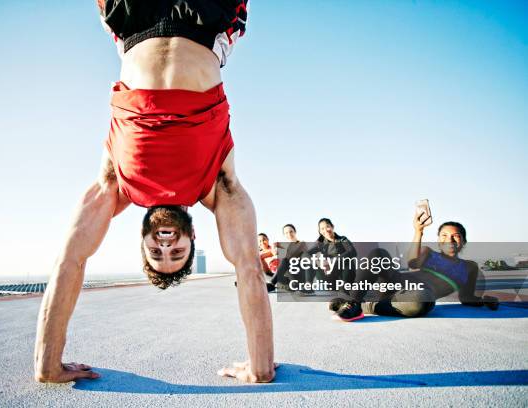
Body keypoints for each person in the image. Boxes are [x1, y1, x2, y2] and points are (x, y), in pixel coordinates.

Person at [34, 0, 275, 384]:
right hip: (206, 23)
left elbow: (70, 259)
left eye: (156, 251)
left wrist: (47, 365)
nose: (165, 244)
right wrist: (260, 367)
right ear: (192, 237)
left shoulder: (116, 186)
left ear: (144, 237)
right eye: (176, 252)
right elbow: (248, 266)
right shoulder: (216, 187)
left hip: (134, 25)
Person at [330, 212, 499, 321]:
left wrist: (483, 300)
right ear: (439, 240)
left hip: (417, 296)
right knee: (378, 253)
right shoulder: (429, 253)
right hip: (397, 282)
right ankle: (353, 302)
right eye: (444, 235)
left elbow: (467, 297)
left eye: (456, 236)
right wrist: (418, 231)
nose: (450, 240)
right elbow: (411, 262)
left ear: (464, 241)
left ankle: (366, 306)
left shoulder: (470, 267)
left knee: (423, 300)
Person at [314, 218, 357, 285]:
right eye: (322, 229)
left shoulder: (342, 239)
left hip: (344, 275)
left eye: (327, 226)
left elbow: (353, 252)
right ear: (320, 231)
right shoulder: (319, 243)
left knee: (348, 258)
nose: (325, 230)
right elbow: (314, 256)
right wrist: (323, 264)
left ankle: (345, 287)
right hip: (328, 276)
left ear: (332, 226)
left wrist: (332, 261)